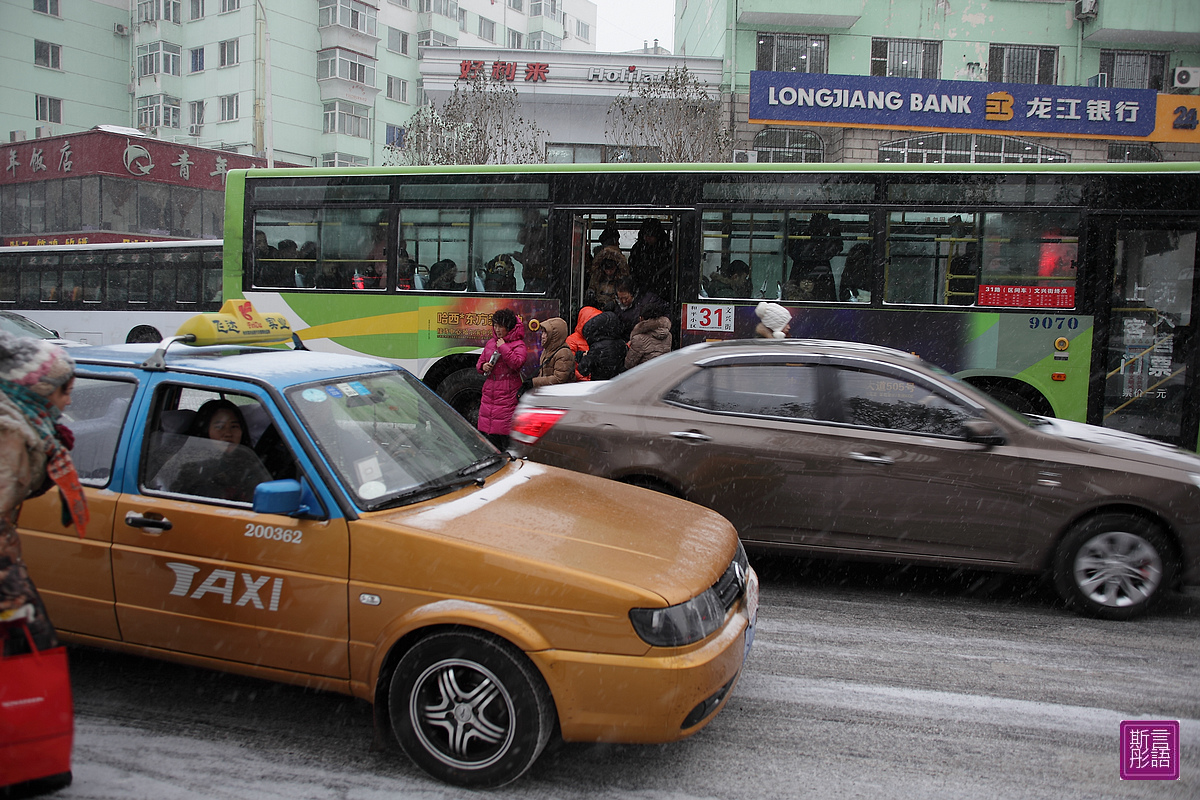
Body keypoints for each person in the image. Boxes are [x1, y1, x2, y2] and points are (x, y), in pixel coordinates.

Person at [0, 333, 86, 653]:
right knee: (31, 657)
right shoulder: (11, 436)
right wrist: (12, 599)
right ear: (42, 390)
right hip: (5, 579)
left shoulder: (30, 428)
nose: (69, 401)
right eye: (66, 391)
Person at [157, 399, 272, 504]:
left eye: (234, 426)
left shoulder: (249, 460)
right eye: (219, 427)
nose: (228, 433)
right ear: (206, 430)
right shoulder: (190, 465)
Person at [475, 309, 526, 450]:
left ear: (508, 327)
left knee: (504, 430)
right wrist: (483, 366)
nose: (497, 330)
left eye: (500, 326)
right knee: (488, 431)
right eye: (495, 326)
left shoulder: (518, 344)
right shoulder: (491, 343)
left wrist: (503, 347)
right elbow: (480, 362)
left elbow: (517, 363)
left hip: (507, 392)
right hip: (490, 391)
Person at [786, 213, 842, 301]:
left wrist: (792, 229)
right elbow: (837, 248)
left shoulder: (802, 237)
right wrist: (835, 231)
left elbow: (789, 249)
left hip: (800, 270)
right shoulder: (823, 242)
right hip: (822, 275)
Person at [628, 217, 672, 300]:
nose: (647, 238)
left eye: (651, 235)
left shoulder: (667, 248)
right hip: (641, 288)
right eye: (646, 235)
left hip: (662, 290)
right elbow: (632, 267)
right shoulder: (638, 248)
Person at [605, 277, 662, 341]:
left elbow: (664, 312)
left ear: (633, 294)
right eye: (620, 298)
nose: (623, 301)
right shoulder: (616, 308)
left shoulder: (648, 300)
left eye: (626, 298)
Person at [578, 311, 626, 381]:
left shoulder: (597, 348)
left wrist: (584, 357)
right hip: (617, 383)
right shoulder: (621, 344)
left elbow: (584, 370)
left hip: (600, 384)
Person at [625, 300, 672, 370]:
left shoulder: (639, 339)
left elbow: (629, 364)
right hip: (663, 373)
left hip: (645, 374)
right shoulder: (668, 335)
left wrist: (628, 348)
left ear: (641, 318)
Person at [531, 317, 575, 388]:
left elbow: (559, 379)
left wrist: (534, 382)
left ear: (555, 335)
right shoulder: (547, 350)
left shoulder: (564, 353)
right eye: (542, 332)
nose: (543, 336)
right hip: (551, 395)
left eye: (546, 333)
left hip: (560, 396)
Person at [585, 242, 629, 309]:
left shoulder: (620, 278)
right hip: (598, 304)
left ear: (616, 267)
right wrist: (591, 293)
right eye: (606, 269)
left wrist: (614, 302)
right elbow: (592, 286)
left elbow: (624, 295)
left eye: (611, 269)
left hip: (614, 307)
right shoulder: (597, 276)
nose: (609, 272)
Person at [566, 306, 601, 381]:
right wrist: (585, 380)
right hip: (581, 384)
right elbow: (570, 366)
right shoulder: (572, 340)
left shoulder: (597, 338)